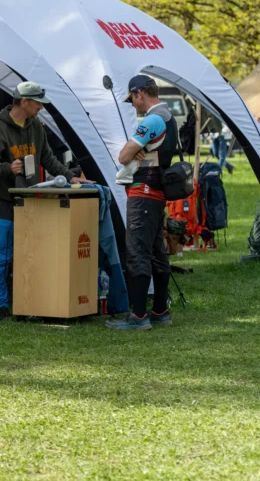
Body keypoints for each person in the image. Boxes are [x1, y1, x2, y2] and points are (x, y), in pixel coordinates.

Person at [0, 82, 91, 320]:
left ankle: (26, 300)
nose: (41, 107)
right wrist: (8, 168)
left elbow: (48, 159)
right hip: (2, 200)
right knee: (2, 254)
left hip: (29, 199)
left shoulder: (37, 126)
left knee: (28, 252)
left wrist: (71, 177)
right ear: (24, 102)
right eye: (38, 103)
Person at [107, 75, 177, 331]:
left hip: (143, 193)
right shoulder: (169, 118)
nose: (133, 105)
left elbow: (123, 156)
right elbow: (154, 155)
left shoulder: (152, 120)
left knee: (138, 253)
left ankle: (138, 316)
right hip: (157, 193)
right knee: (157, 253)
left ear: (140, 94)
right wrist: (143, 152)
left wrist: (135, 151)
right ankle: (160, 311)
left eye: (132, 99)